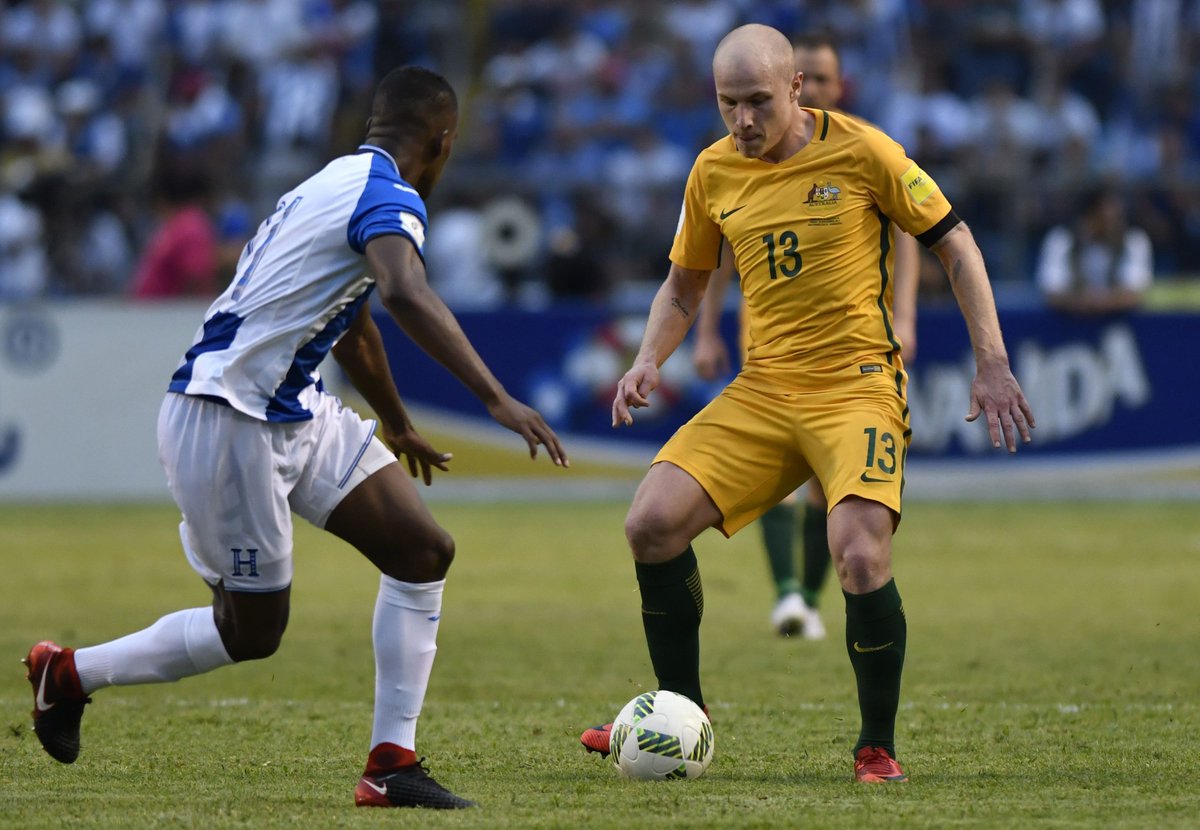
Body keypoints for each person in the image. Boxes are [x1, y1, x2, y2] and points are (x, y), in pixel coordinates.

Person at [24, 66, 568, 810]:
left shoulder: (325, 184)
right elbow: (404, 291)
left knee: (421, 549)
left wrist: (398, 420)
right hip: (228, 419)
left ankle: (391, 765)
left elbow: (354, 324)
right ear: (444, 139)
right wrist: (496, 398)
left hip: (293, 408)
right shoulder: (387, 198)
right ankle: (69, 674)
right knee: (252, 632)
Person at [580, 24, 1033, 783]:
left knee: (858, 554)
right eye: (729, 104)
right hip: (762, 388)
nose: (743, 120)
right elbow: (685, 284)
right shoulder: (712, 171)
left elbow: (957, 244)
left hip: (855, 383)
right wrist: (648, 359)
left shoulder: (864, 151)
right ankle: (682, 713)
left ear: (796, 88)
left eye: (758, 101)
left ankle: (875, 747)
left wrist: (992, 362)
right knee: (649, 524)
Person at [693, 33, 921, 640]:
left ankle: (812, 595)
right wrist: (708, 330)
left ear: (824, 87)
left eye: (823, 80)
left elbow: (918, 236)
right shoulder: (725, 164)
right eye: (810, 77)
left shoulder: (860, 151)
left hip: (848, 354)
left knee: (829, 487)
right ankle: (789, 592)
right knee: (770, 471)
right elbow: (714, 256)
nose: (816, 88)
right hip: (765, 344)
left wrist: (907, 318)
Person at [1035, 185, 1153, 315]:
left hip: (1119, 324)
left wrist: (1099, 302)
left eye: (1118, 215)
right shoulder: (1060, 239)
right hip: (1070, 324)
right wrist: (1081, 301)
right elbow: (1052, 293)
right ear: (1090, 215)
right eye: (1109, 216)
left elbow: (1135, 294)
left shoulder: (1134, 240)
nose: (1116, 222)